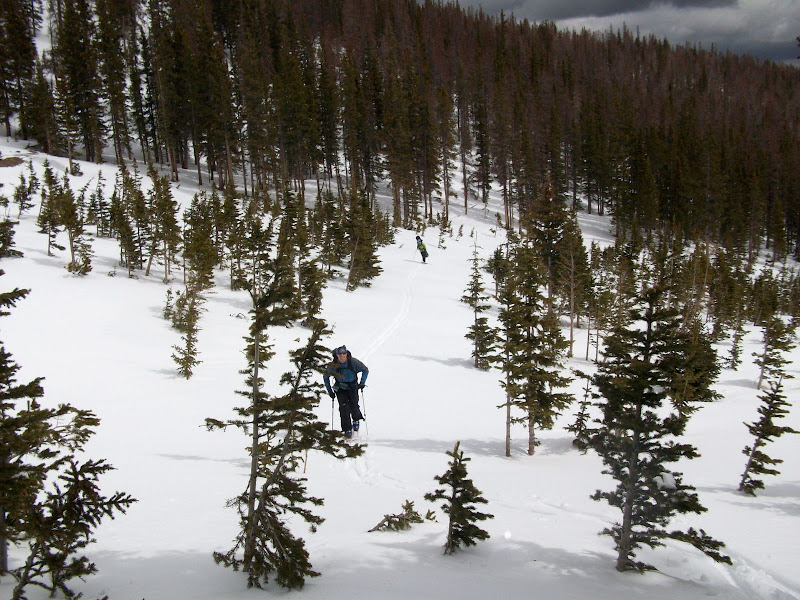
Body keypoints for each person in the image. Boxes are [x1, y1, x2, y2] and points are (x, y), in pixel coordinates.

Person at [323, 345, 368, 437]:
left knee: (354, 406)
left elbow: (365, 370)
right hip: (340, 388)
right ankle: (347, 429)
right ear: (337, 355)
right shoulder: (333, 365)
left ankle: (356, 420)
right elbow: (326, 377)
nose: (342, 356)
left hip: (352, 387)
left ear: (346, 354)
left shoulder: (353, 362)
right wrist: (330, 391)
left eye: (344, 354)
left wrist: (362, 382)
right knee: (343, 408)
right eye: (340, 354)